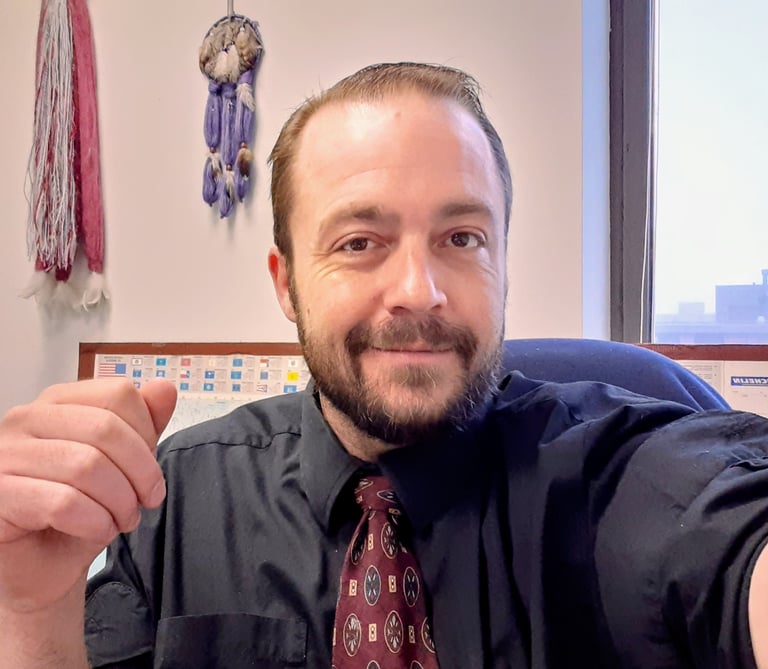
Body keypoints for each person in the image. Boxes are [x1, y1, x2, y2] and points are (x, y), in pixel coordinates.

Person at [3, 61, 768, 668]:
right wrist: (34, 611)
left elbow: (729, 533)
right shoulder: (174, 499)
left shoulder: (620, 472)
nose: (418, 291)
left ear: (503, 263)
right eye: (359, 243)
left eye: (461, 238)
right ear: (287, 284)